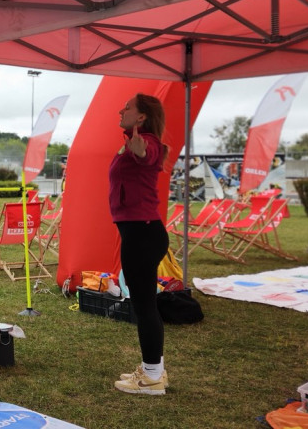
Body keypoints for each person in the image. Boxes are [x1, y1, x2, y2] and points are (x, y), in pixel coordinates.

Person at [109, 93, 171, 395]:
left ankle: (151, 379)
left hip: (142, 234)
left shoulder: (148, 143)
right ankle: (154, 370)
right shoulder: (131, 142)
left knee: (144, 306)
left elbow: (150, 153)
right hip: (140, 233)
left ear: (142, 116)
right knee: (146, 305)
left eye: (128, 107)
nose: (122, 109)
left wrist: (142, 150)